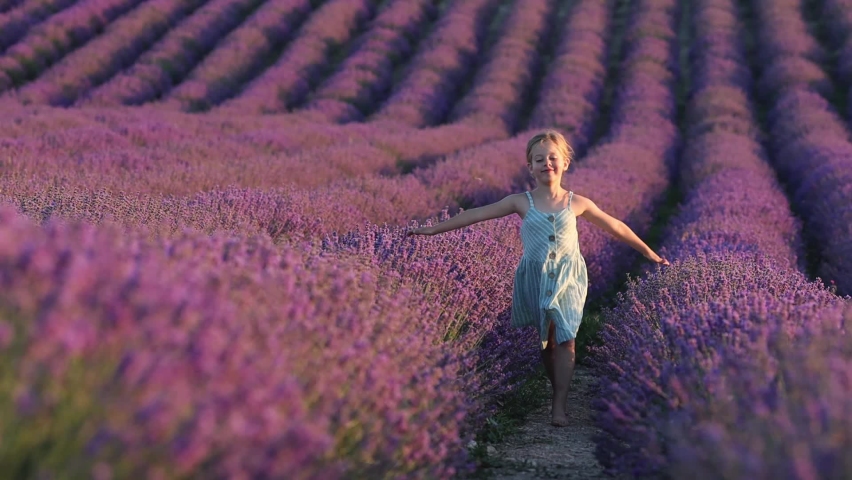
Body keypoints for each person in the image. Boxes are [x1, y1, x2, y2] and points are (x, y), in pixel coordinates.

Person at [406, 130, 669, 427]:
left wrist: (648, 252)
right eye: (539, 159)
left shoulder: (577, 202)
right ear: (530, 167)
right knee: (547, 342)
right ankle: (555, 388)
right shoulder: (521, 202)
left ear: (565, 163)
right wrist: (432, 229)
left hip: (569, 278)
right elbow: (477, 214)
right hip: (535, 276)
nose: (547, 164)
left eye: (553, 158)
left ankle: (560, 404)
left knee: (567, 338)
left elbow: (615, 225)